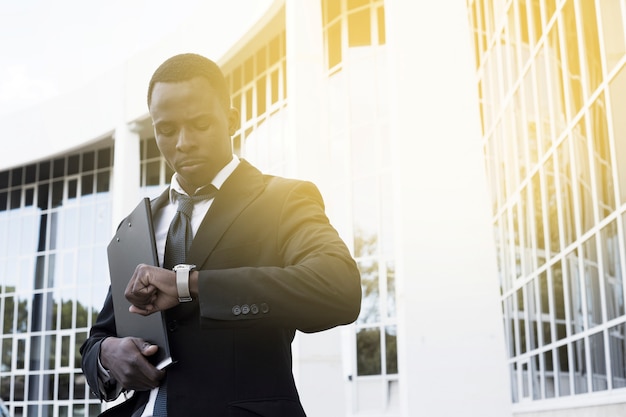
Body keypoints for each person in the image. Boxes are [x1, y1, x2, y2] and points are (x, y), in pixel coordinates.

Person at [80, 53, 362, 416]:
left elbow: (339, 288)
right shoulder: (137, 225)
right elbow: (98, 339)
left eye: (199, 124)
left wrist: (190, 285)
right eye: (167, 130)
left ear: (231, 120)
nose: (183, 142)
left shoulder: (283, 199)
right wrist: (106, 355)